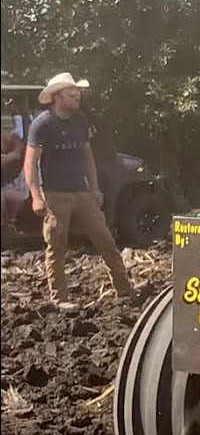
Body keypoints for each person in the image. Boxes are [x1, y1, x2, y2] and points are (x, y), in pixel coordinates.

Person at [23, 72, 135, 307]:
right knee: (56, 246)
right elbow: (30, 162)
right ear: (57, 97)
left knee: (105, 239)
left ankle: (124, 289)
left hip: (82, 193)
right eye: (71, 93)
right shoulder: (42, 124)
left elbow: (87, 155)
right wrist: (36, 196)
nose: (76, 97)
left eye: (77, 93)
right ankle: (59, 300)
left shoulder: (81, 120)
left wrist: (94, 188)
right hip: (55, 195)